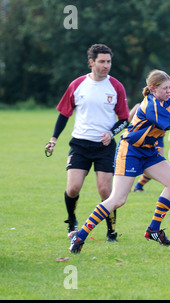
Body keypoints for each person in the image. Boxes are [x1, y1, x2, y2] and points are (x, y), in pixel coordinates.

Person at [68, 70, 170, 254]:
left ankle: (153, 229)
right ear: (152, 89)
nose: (168, 91)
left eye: (169, 88)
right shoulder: (151, 106)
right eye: (164, 88)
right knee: (117, 199)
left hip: (148, 151)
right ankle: (81, 235)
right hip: (130, 151)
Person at [45, 44, 129, 242]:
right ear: (92, 62)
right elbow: (64, 114)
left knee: (105, 190)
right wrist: (53, 139)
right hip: (80, 145)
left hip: (105, 147)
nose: (106, 65)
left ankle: (111, 230)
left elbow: (124, 119)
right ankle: (72, 220)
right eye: (101, 61)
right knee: (73, 188)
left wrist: (111, 132)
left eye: (108, 61)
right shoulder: (77, 85)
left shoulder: (116, 86)